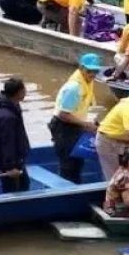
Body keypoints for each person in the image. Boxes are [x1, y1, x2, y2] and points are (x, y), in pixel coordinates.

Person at [49, 53, 102, 183]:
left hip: (75, 125)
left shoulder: (87, 82)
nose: (92, 74)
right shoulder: (74, 87)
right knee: (68, 164)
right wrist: (86, 125)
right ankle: (66, 191)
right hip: (64, 127)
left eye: (95, 71)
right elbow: (63, 114)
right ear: (81, 68)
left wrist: (89, 123)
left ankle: (76, 185)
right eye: (89, 71)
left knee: (78, 161)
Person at [0, 77, 30, 193]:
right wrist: (11, 167)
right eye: (24, 89)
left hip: (12, 159)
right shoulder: (7, 117)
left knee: (22, 185)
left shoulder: (9, 105)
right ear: (19, 92)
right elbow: (7, 143)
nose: (26, 92)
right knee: (17, 188)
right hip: (10, 163)